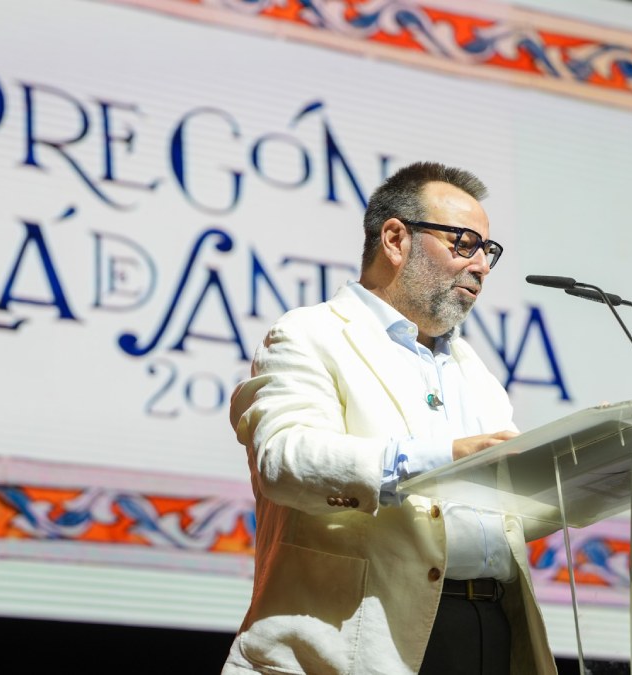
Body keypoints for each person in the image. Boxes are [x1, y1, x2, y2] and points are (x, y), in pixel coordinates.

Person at [222, 162, 555, 675]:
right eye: (464, 243)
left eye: (487, 251)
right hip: (359, 642)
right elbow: (284, 460)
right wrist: (444, 458)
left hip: (491, 631)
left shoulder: (475, 371)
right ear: (396, 239)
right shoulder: (309, 334)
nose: (482, 266)